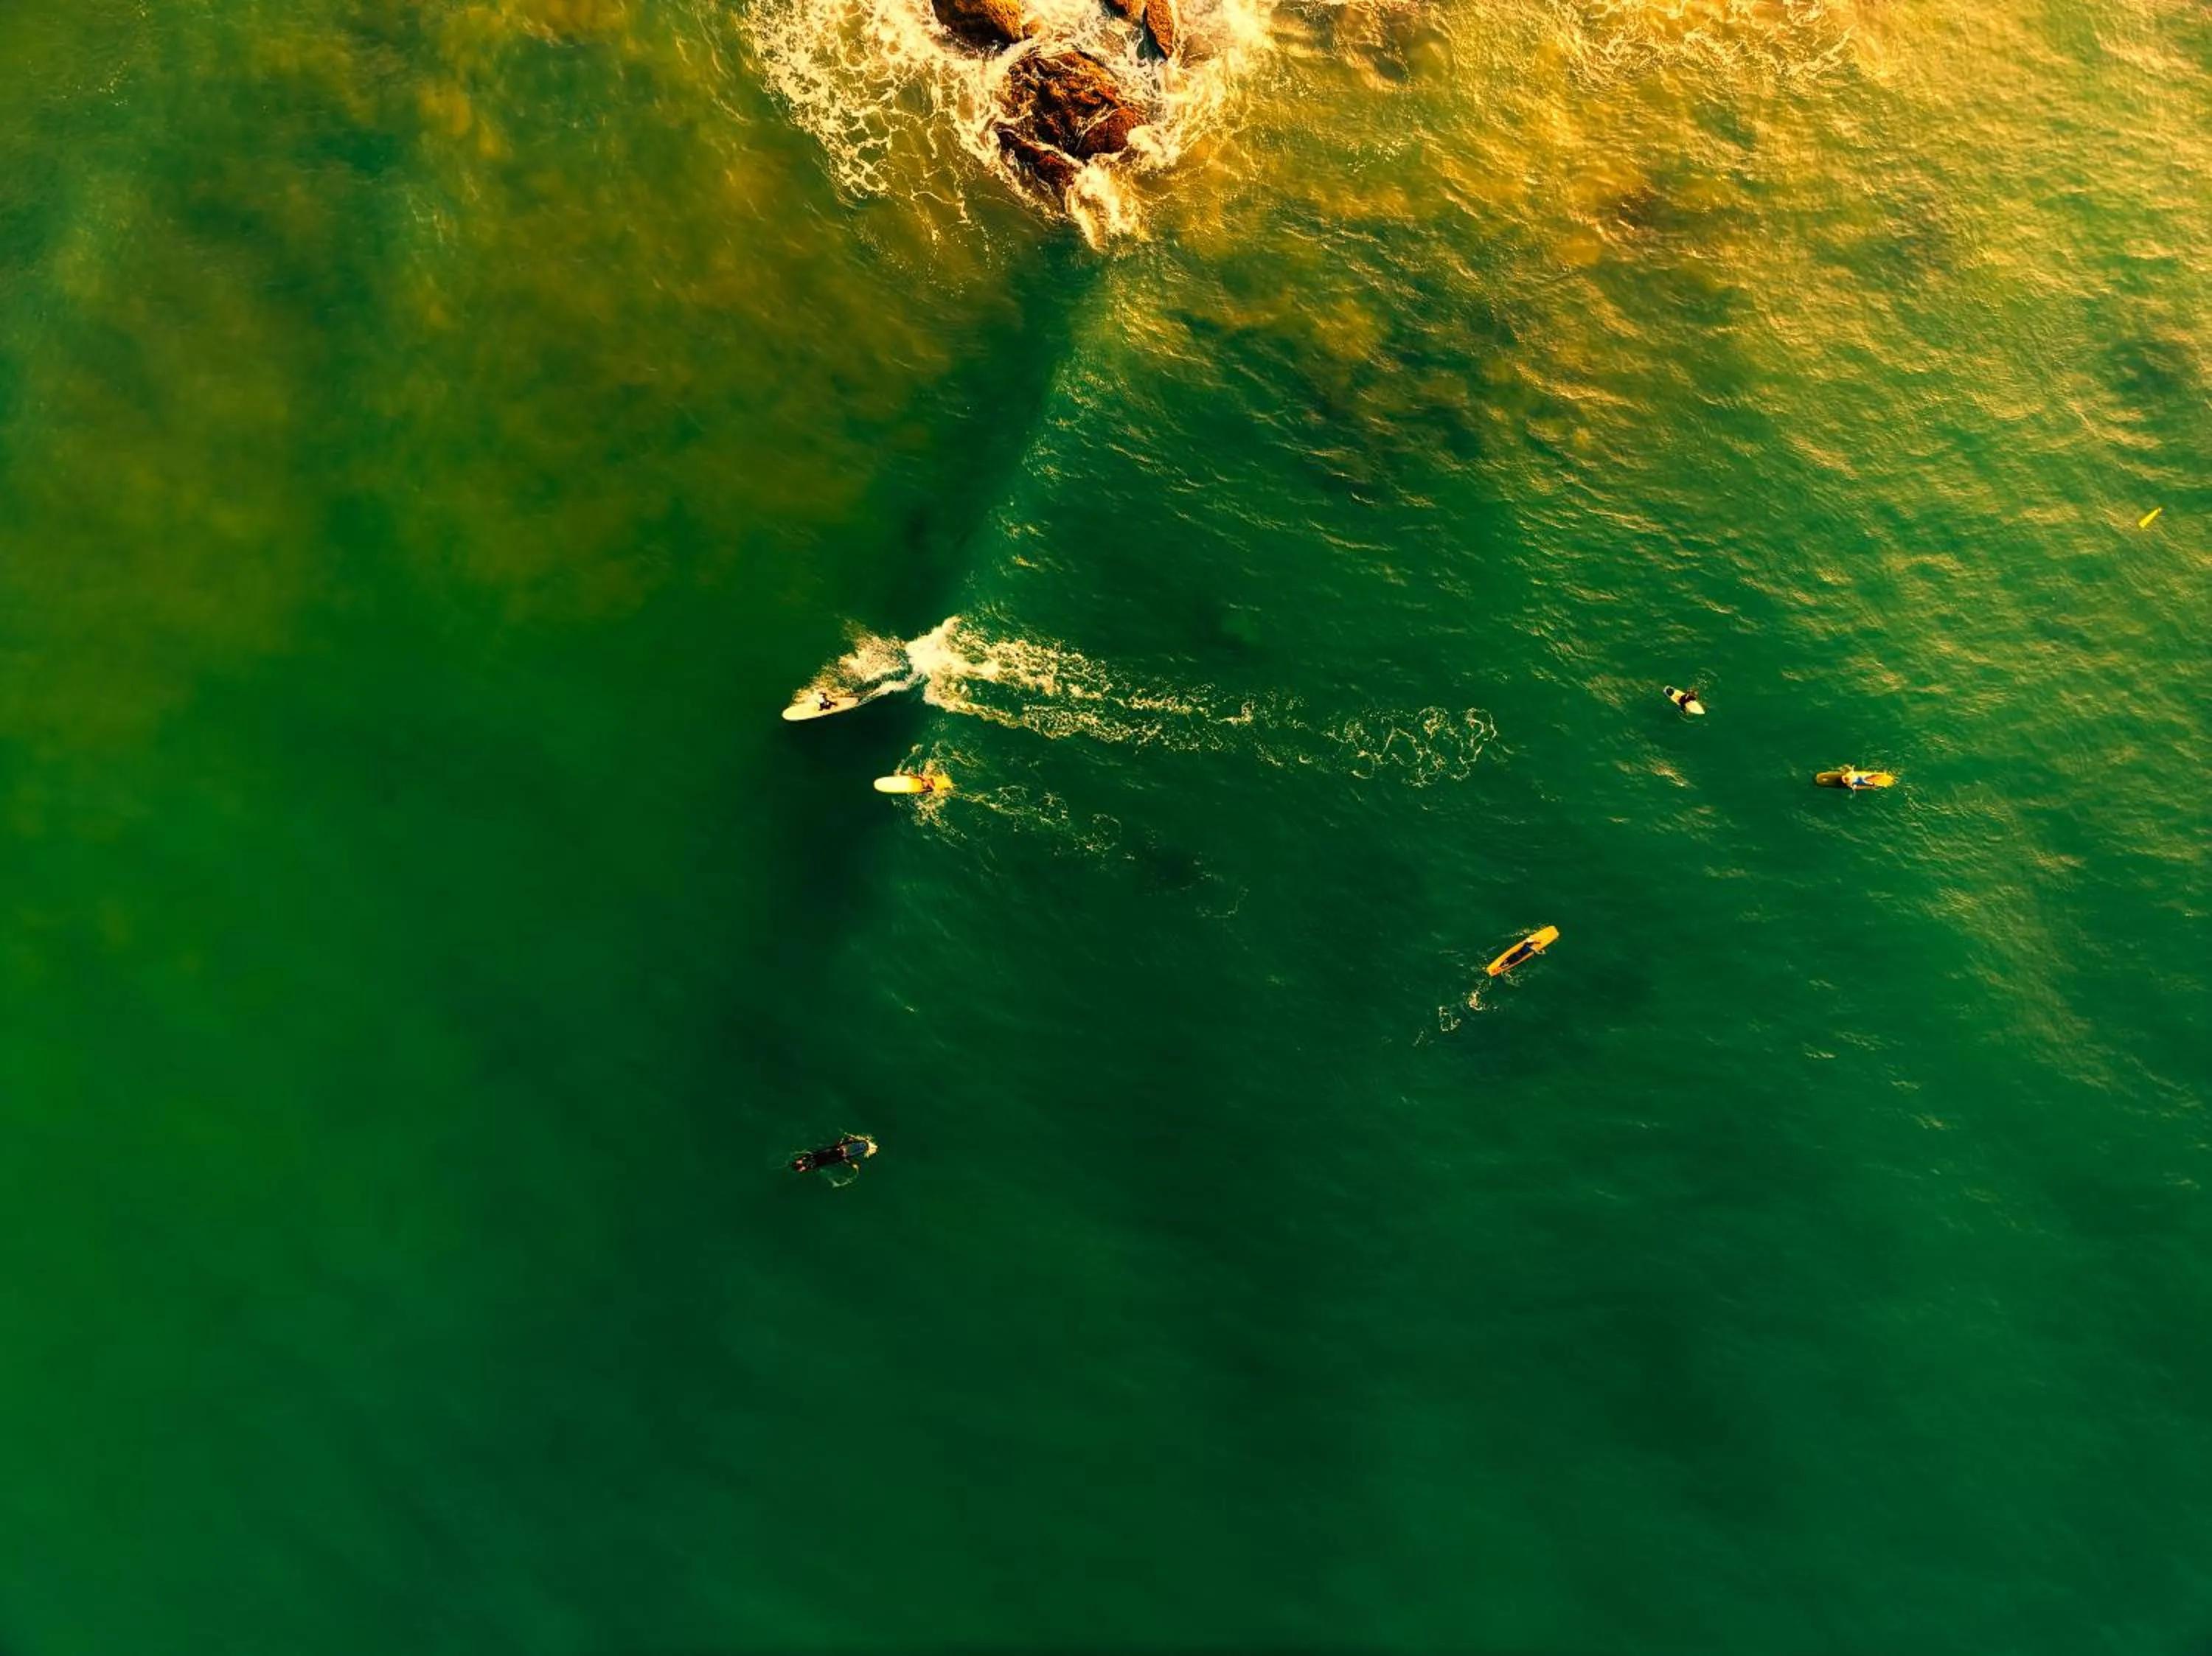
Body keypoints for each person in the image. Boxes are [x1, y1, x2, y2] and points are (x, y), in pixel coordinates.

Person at [792, 1133, 876, 1175]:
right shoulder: (844, 1153)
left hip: (836, 1152)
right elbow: (845, 1157)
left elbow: (848, 1141)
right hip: (837, 1153)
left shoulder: (843, 1149)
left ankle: (801, 1164)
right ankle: (802, 1166)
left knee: (816, 1158)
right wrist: (852, 1165)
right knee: (817, 1160)